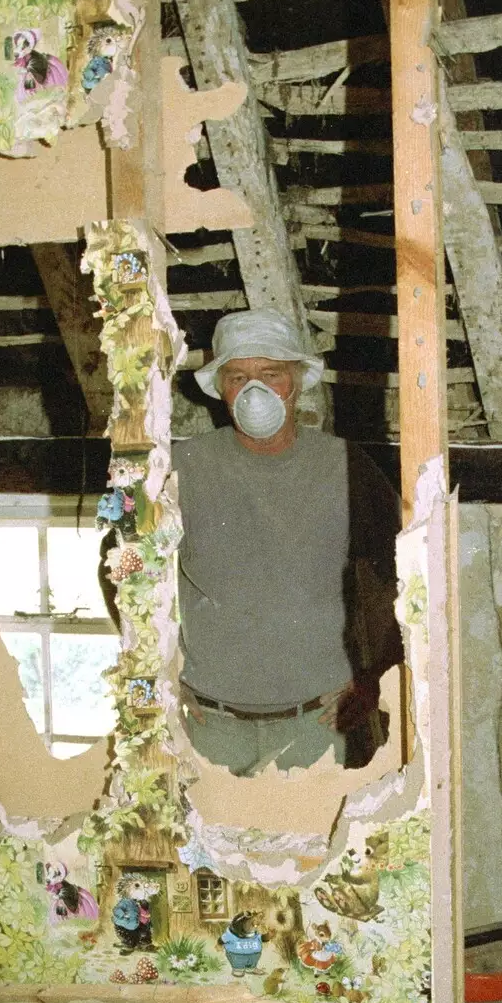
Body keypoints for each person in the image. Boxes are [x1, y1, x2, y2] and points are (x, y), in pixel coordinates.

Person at [172, 310, 402, 777]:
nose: (254, 390)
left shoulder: (347, 467)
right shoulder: (181, 467)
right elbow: (122, 570)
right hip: (208, 726)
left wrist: (372, 679)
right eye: (237, 376)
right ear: (220, 387)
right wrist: (157, 674)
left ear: (298, 380)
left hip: (320, 724)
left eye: (270, 374)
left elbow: (404, 579)